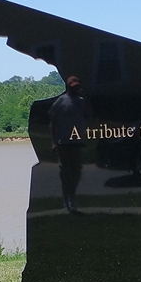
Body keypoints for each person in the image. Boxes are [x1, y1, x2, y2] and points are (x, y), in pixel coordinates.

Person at [48, 76, 90, 213]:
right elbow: (52, 123)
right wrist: (53, 141)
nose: (75, 88)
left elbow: (90, 115)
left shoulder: (82, 101)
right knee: (66, 173)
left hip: (77, 142)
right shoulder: (60, 102)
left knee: (77, 172)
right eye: (72, 86)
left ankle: (72, 197)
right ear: (68, 86)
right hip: (63, 142)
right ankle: (67, 201)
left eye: (76, 86)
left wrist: (86, 99)